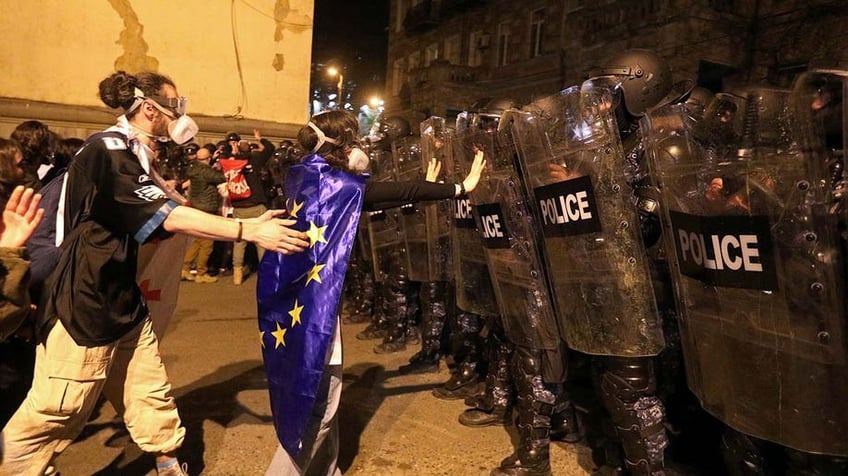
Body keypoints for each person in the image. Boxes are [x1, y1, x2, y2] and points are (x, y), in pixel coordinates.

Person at [0, 70, 309, 476]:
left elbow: (172, 208)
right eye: (175, 104)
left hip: (122, 297)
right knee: (58, 409)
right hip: (85, 305)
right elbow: (171, 216)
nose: (181, 113)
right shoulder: (108, 152)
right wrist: (248, 230)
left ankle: (167, 460)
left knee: (148, 390)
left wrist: (247, 218)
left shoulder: (135, 152)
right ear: (150, 108)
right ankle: (18, 466)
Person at [259, 110, 485, 475]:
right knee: (319, 408)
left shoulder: (303, 175)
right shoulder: (342, 187)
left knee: (318, 396)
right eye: (354, 137)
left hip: (294, 300)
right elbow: (380, 192)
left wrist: (419, 189)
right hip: (314, 308)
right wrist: (458, 188)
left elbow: (373, 197)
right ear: (343, 144)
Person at [220, 129, 276, 285]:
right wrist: (259, 138)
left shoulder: (228, 163)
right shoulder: (254, 160)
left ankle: (237, 274)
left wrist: (233, 151)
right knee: (261, 240)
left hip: (239, 207)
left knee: (239, 241)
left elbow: (221, 160)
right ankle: (265, 274)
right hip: (256, 206)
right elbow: (270, 149)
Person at [181, 145, 226, 283]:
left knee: (197, 241)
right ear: (208, 158)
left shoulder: (193, 168)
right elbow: (221, 178)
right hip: (207, 207)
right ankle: (201, 273)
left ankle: (185, 268)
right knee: (207, 243)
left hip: (196, 206)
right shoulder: (206, 171)